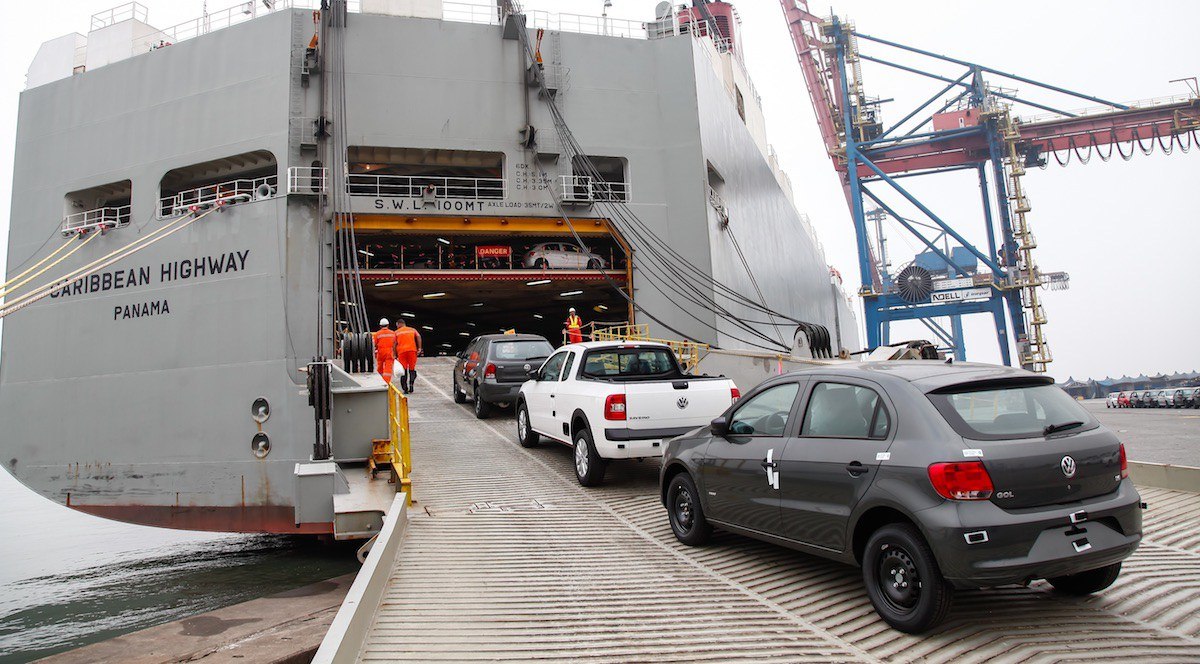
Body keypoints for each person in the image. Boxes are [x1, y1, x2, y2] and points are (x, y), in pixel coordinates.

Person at [394, 319, 423, 394]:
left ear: (399, 324)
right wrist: (419, 348)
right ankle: (411, 384)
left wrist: (394, 354)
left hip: (402, 352)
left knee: (403, 370)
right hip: (412, 351)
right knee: (412, 369)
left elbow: (394, 343)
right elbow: (418, 336)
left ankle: (405, 389)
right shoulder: (412, 329)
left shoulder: (396, 332)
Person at [372, 318, 397, 384]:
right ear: (388, 325)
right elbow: (395, 344)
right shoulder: (393, 333)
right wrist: (395, 354)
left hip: (380, 352)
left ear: (380, 326)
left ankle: (379, 380)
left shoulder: (377, 334)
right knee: (388, 367)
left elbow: (374, 344)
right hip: (389, 352)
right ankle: (386, 382)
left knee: (380, 366)